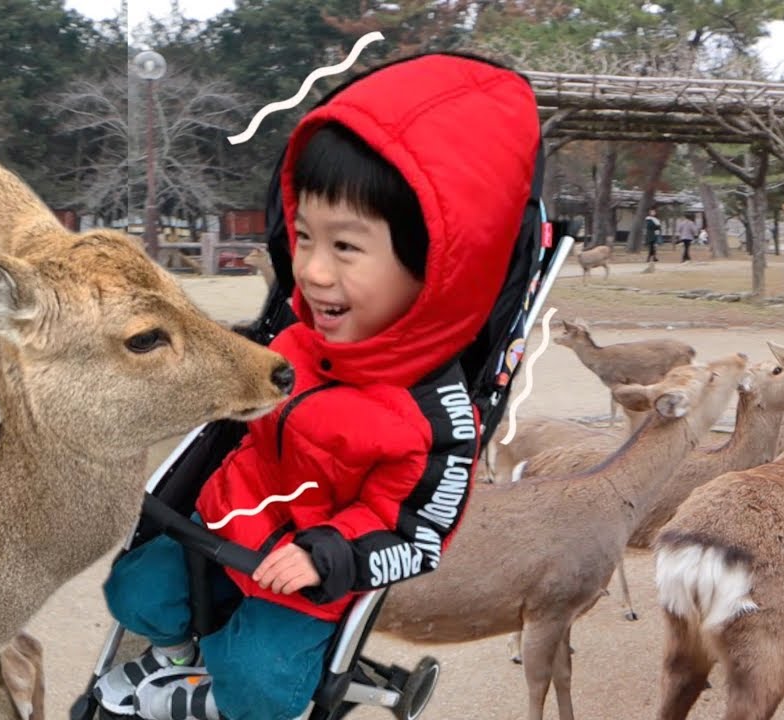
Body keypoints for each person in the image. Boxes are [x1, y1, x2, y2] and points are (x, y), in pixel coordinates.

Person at [91, 54, 540, 720]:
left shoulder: (437, 419)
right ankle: (182, 660)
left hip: (311, 571)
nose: (313, 271)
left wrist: (324, 558)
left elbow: (416, 538)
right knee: (134, 593)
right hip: (226, 524)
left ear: (437, 267)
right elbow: (225, 406)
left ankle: (215, 693)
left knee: (258, 688)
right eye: (303, 237)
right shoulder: (294, 338)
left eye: (346, 247)